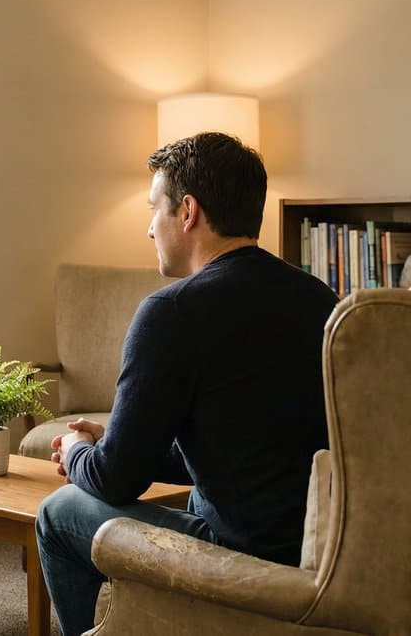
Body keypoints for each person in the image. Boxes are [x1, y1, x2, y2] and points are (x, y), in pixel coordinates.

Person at [35, 132, 338, 636]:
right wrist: (111, 443)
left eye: (155, 209)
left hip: (244, 560)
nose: (150, 229)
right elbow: (239, 452)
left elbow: (115, 481)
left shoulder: (172, 311)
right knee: (198, 493)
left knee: (58, 512)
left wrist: (74, 450)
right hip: (316, 552)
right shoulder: (319, 299)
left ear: (188, 211)